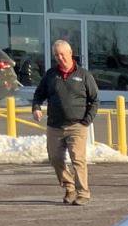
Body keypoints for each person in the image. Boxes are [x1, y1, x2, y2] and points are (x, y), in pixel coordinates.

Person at [32, 39, 100, 205]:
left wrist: (86, 121)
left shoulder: (84, 75)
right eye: (56, 55)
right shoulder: (51, 75)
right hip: (55, 126)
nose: (60, 58)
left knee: (78, 160)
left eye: (62, 54)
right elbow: (39, 94)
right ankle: (69, 187)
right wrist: (36, 107)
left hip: (77, 125)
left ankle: (83, 193)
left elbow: (94, 100)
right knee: (55, 159)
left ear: (70, 53)